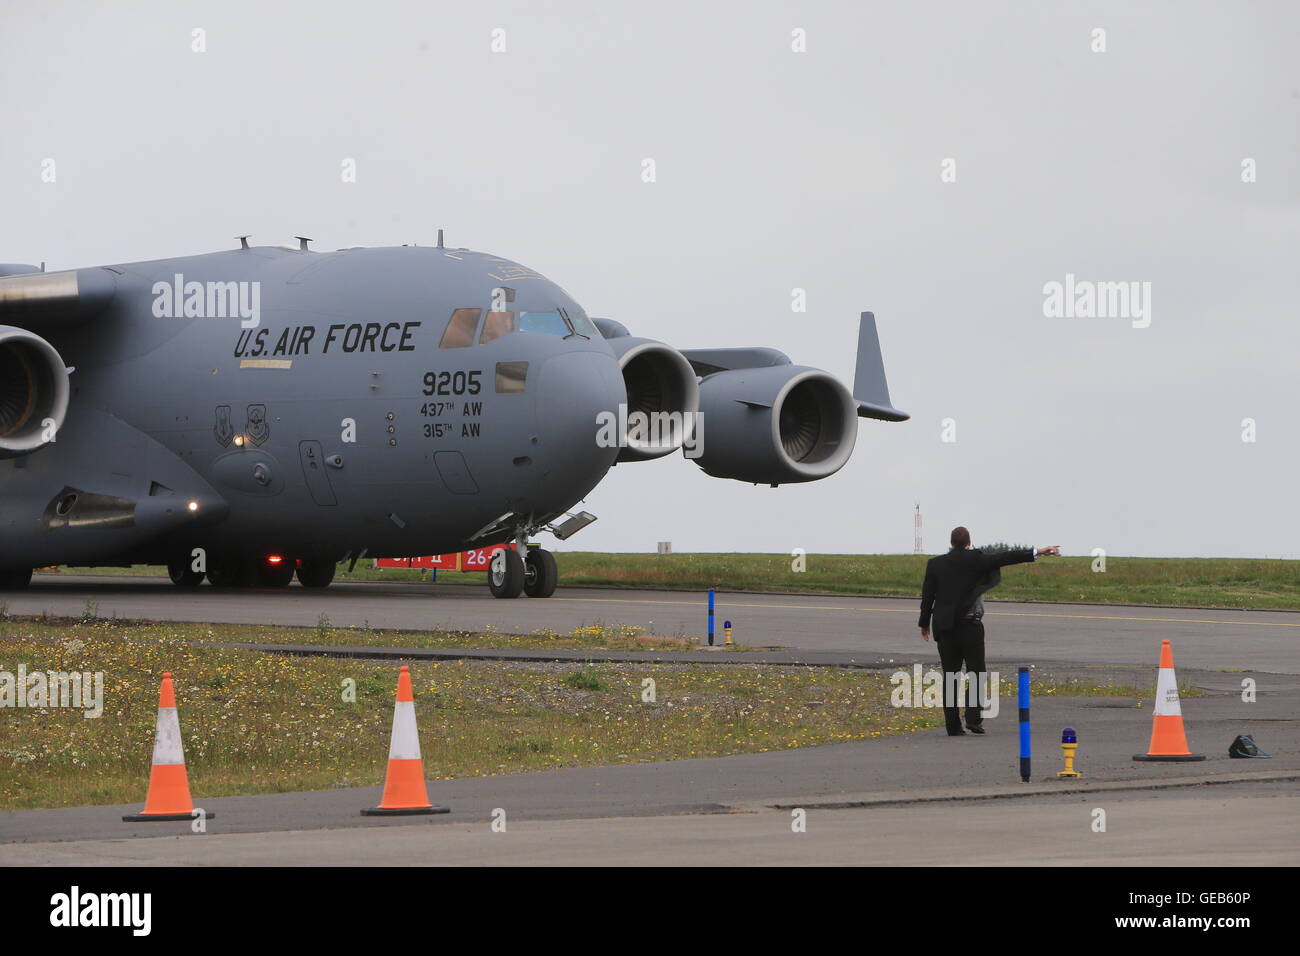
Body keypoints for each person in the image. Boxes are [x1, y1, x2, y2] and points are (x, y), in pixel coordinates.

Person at [918, 527, 1060, 736]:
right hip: (970, 626)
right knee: (976, 672)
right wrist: (1037, 551)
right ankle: (973, 719)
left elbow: (928, 596)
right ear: (968, 543)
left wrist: (924, 623)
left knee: (950, 676)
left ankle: (952, 726)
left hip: (946, 628)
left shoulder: (935, 564)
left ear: (951, 543)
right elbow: (1006, 558)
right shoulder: (976, 559)